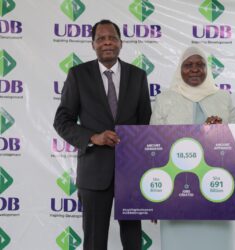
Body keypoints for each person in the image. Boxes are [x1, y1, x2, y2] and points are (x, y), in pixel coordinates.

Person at [53, 19, 151, 250]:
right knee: (95, 241)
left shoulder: (138, 75)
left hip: (131, 173)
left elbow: (145, 123)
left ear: (121, 42)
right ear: (92, 44)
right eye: (101, 39)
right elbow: (62, 120)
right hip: (94, 173)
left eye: (112, 38)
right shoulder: (78, 74)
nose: (107, 42)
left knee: (133, 240)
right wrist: (92, 138)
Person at [151, 46, 235, 250]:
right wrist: (155, 199)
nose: (194, 69)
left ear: (207, 69)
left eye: (200, 65)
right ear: (179, 69)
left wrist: (222, 132)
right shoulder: (166, 98)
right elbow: (153, 146)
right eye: (188, 65)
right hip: (175, 192)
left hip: (217, 189)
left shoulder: (222, 97)